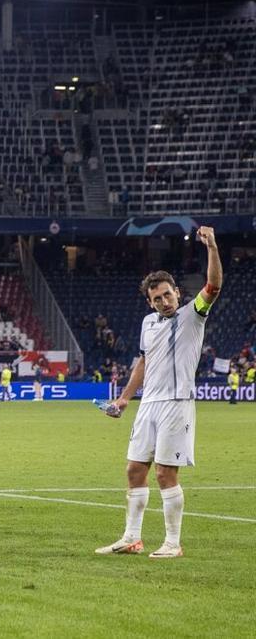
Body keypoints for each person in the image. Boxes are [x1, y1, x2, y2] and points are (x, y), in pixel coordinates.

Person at [97, 226, 221, 559]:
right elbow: (143, 362)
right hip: (148, 405)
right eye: (157, 298)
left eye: (167, 295)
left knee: (166, 473)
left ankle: (172, 542)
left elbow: (213, 286)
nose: (164, 302)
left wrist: (211, 247)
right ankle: (131, 538)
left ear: (177, 292)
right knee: (134, 470)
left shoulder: (193, 314)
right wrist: (124, 398)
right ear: (149, 302)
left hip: (176, 404)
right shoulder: (148, 324)